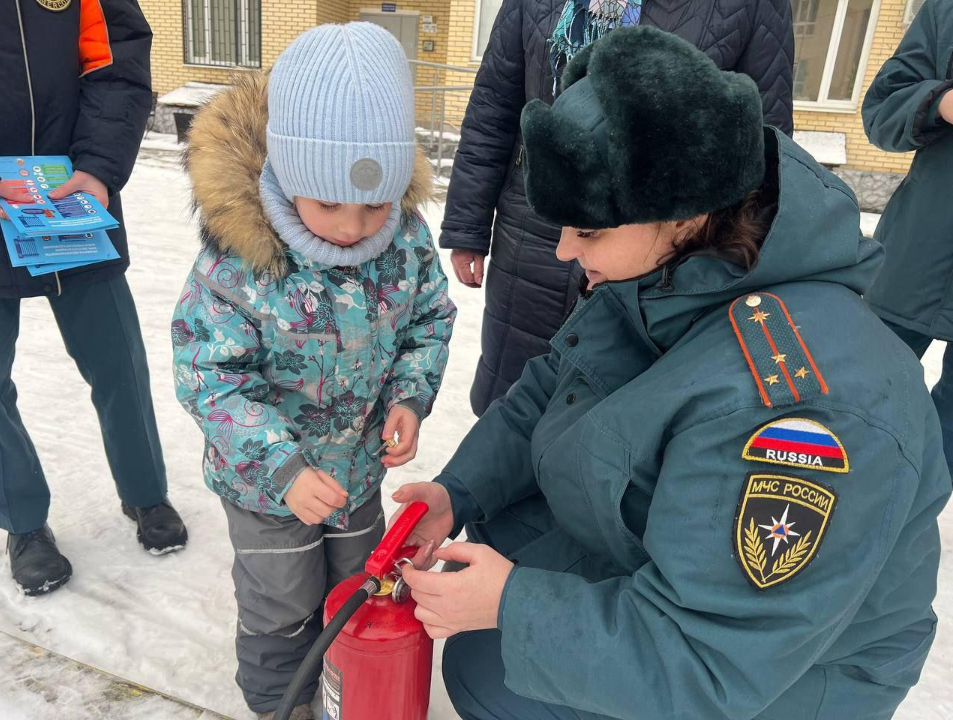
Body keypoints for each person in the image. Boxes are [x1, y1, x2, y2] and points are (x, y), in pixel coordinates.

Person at [391, 27, 951, 720]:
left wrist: (515, 604)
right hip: (694, 595)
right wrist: (458, 492)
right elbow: (553, 385)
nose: (565, 251)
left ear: (685, 213)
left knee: (499, 668)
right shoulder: (673, 263)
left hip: (790, 679)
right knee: (491, 637)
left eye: (587, 231)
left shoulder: (803, 410)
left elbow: (710, 662)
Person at [171, 23, 455, 719]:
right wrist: (283, 469)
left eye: (376, 203)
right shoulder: (240, 261)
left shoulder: (406, 242)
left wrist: (410, 399)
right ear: (286, 175)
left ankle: (344, 689)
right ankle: (282, 707)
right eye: (329, 203)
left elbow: (429, 321)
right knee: (282, 608)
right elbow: (212, 374)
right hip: (268, 492)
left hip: (358, 475)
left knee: (355, 587)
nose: (355, 227)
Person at [442, 0, 795, 417]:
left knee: (619, 418)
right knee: (515, 396)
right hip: (533, 234)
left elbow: (762, 140)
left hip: (664, 251)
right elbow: (493, 111)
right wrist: (468, 225)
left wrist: (732, 262)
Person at [0, 0, 187, 597]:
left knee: (118, 360)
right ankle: (24, 523)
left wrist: (99, 168)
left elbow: (118, 64)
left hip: (74, 197)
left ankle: (145, 493)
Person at [862, 0, 953, 472]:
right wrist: (939, 102)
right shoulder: (945, 11)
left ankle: (908, 529)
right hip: (919, 252)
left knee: (943, 455)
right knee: (863, 403)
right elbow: (880, 111)